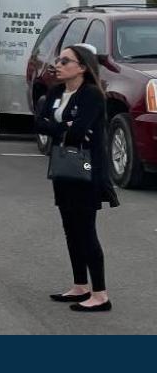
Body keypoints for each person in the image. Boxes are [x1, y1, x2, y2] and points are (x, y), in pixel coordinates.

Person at [34, 43, 119, 313]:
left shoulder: (92, 95)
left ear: (82, 67)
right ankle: (80, 285)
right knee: (70, 228)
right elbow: (39, 123)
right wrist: (65, 127)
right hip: (64, 167)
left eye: (65, 61)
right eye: (58, 60)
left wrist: (64, 129)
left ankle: (101, 294)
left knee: (86, 230)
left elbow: (79, 130)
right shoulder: (57, 91)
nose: (57, 64)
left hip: (87, 170)